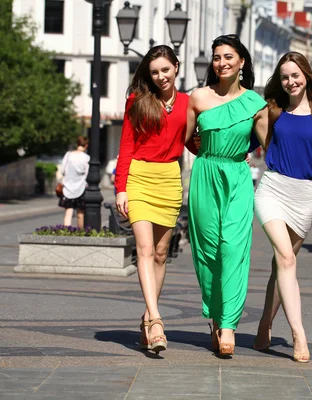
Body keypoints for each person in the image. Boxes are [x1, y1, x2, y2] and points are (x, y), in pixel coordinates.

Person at [186, 34, 267, 357]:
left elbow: (271, 147)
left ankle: (229, 325)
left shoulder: (255, 104)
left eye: (228, 57)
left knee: (233, 248)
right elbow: (185, 138)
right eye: (217, 57)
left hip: (237, 176)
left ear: (242, 62)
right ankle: (216, 317)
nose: (222, 63)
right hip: (205, 175)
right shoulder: (198, 97)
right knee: (208, 252)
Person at [114, 45, 197, 354]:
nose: (161, 76)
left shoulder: (189, 103)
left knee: (162, 254)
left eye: (165, 69)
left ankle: (147, 316)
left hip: (169, 180)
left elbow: (192, 142)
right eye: (154, 72)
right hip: (139, 178)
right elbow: (126, 145)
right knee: (145, 250)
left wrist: (226, 156)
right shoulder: (137, 101)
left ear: (176, 67)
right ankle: (157, 320)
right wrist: (121, 187)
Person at [253, 52, 312, 363]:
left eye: (295, 75)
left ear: (307, 76)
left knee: (280, 268)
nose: (290, 81)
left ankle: (264, 324)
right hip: (272, 188)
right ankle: (299, 333)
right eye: (285, 76)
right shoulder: (272, 111)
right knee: (286, 258)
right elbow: (248, 138)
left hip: (303, 195)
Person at [58, 135, 90, 229]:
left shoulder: (68, 155)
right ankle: (80, 233)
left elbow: (63, 170)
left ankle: (66, 233)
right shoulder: (86, 158)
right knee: (80, 213)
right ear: (86, 145)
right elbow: (88, 174)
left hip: (68, 187)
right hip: (81, 187)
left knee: (68, 212)